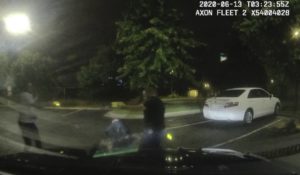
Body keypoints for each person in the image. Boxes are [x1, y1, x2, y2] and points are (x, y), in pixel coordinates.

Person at [18, 82, 42, 149]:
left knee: (28, 140)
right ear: (26, 87)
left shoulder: (23, 94)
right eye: (29, 86)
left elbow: (30, 103)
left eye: (31, 86)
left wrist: (36, 97)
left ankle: (27, 153)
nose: (31, 87)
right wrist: (41, 107)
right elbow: (32, 104)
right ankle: (40, 153)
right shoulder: (26, 94)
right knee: (36, 138)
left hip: (24, 120)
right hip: (27, 121)